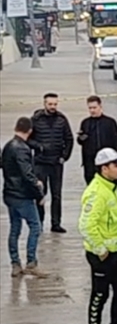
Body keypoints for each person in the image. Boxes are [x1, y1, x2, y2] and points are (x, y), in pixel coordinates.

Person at [79, 148, 117, 324]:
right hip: (103, 255)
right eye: (116, 166)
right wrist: (101, 250)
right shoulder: (96, 192)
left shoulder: (112, 188)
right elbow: (86, 225)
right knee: (100, 296)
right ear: (104, 168)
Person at [2, 117, 45, 277]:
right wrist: (38, 192)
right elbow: (27, 174)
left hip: (9, 194)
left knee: (15, 228)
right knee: (35, 226)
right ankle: (31, 262)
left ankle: (15, 263)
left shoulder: (8, 146)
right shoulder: (22, 149)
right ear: (30, 131)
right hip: (22, 195)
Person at [29, 92, 73, 233]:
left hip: (56, 163)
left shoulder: (62, 119)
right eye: (50, 104)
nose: (53, 107)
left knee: (57, 194)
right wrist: (39, 147)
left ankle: (56, 223)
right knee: (40, 193)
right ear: (44, 104)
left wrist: (64, 156)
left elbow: (69, 139)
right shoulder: (36, 119)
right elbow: (28, 139)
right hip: (40, 163)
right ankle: (39, 222)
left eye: (55, 104)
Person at [77, 96, 117, 184]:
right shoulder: (85, 123)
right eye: (90, 108)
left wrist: (115, 160)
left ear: (100, 107)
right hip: (90, 163)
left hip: (106, 162)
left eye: (94, 107)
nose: (92, 110)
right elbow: (81, 142)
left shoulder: (110, 122)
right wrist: (80, 138)